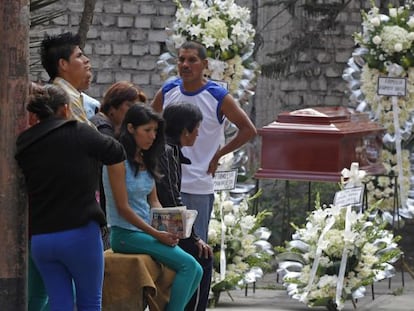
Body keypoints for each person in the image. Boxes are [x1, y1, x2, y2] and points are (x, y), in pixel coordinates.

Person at [15, 84, 125, 310]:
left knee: (60, 303)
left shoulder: (25, 143)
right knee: (90, 302)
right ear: (65, 109)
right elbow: (116, 152)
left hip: (42, 239)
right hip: (80, 234)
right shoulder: (79, 132)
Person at [151, 40, 257, 243]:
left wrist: (219, 155)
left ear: (205, 64)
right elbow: (148, 125)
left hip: (198, 186)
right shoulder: (167, 91)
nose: (185, 65)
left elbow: (248, 130)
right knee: (169, 246)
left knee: (196, 247)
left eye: (192, 60)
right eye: (181, 59)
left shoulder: (218, 96)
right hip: (166, 185)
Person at [102, 105, 203, 311]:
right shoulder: (116, 161)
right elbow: (123, 208)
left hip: (147, 232)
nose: (152, 136)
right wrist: (156, 233)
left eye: (155, 131)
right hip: (126, 235)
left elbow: (154, 201)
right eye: (147, 130)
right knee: (189, 266)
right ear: (131, 128)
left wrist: (169, 227)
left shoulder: (146, 159)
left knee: (197, 269)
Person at [156, 102, 214, 311]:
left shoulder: (169, 149)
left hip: (162, 217)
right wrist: (194, 238)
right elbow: (171, 199)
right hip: (159, 221)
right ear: (185, 130)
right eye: (196, 129)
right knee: (202, 257)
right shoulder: (166, 151)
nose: (198, 134)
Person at [40, 31, 93, 125]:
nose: (86, 60)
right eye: (79, 55)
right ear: (63, 64)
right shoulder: (67, 98)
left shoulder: (61, 93)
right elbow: (90, 138)